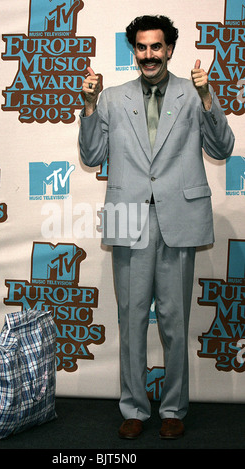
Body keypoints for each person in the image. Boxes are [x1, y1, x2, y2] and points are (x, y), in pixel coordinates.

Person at [78, 15, 234, 440]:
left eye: (157, 47)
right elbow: (91, 156)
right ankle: (133, 407)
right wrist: (89, 107)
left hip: (177, 219)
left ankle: (173, 407)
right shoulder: (111, 98)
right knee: (130, 319)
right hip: (128, 217)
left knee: (173, 319)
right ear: (135, 51)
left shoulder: (192, 92)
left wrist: (207, 97)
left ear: (169, 49)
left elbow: (222, 147)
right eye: (142, 47)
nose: (149, 54)